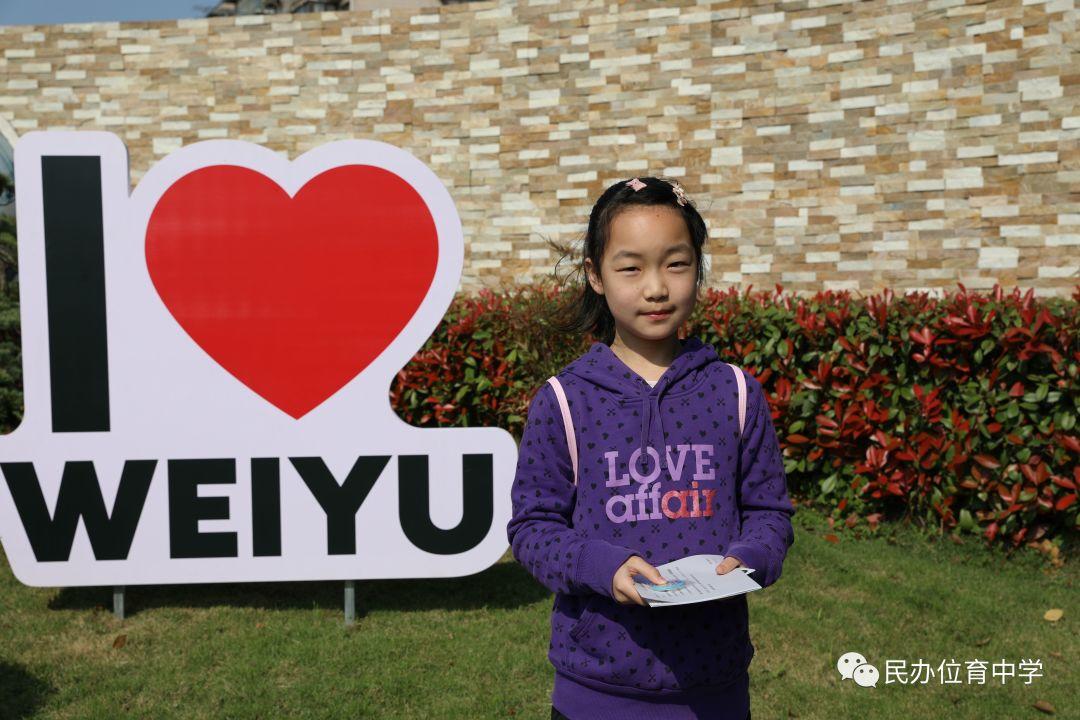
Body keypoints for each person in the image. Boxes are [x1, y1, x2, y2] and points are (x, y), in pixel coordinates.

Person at [506, 176, 796, 720]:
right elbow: (532, 528)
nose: (657, 287)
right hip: (593, 690)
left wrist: (753, 557)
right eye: (631, 267)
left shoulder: (733, 391)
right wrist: (601, 566)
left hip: (714, 686)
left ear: (698, 267)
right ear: (595, 274)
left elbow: (769, 512)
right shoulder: (565, 400)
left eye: (676, 264)